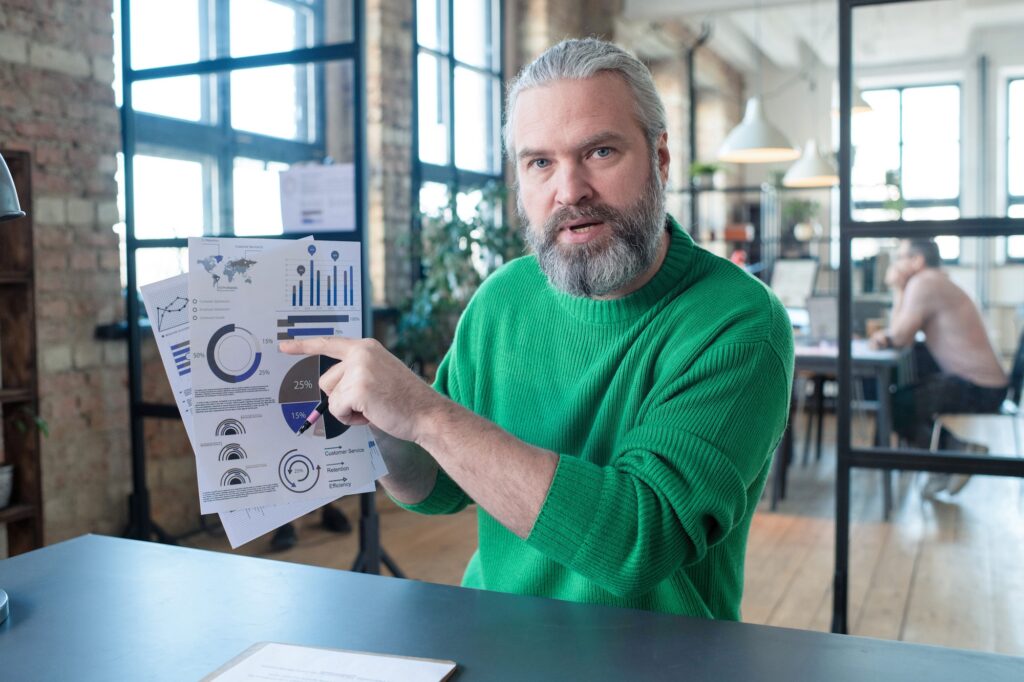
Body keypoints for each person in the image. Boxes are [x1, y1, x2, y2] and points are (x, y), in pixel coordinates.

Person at [280, 38, 793, 619]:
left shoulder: (740, 323)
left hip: (659, 660)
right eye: (540, 162)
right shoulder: (503, 298)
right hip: (495, 637)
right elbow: (440, 487)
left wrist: (426, 413)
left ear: (660, 159)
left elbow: (637, 542)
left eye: (600, 152)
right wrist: (383, 425)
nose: (569, 190)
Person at [870, 238, 1008, 496]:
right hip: (984, 385)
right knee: (903, 400)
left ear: (917, 261)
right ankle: (947, 464)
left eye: (900, 257)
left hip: (979, 389)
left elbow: (899, 337)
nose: (896, 264)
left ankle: (956, 454)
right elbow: (903, 337)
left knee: (895, 407)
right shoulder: (936, 280)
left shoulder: (924, 283)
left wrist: (898, 289)